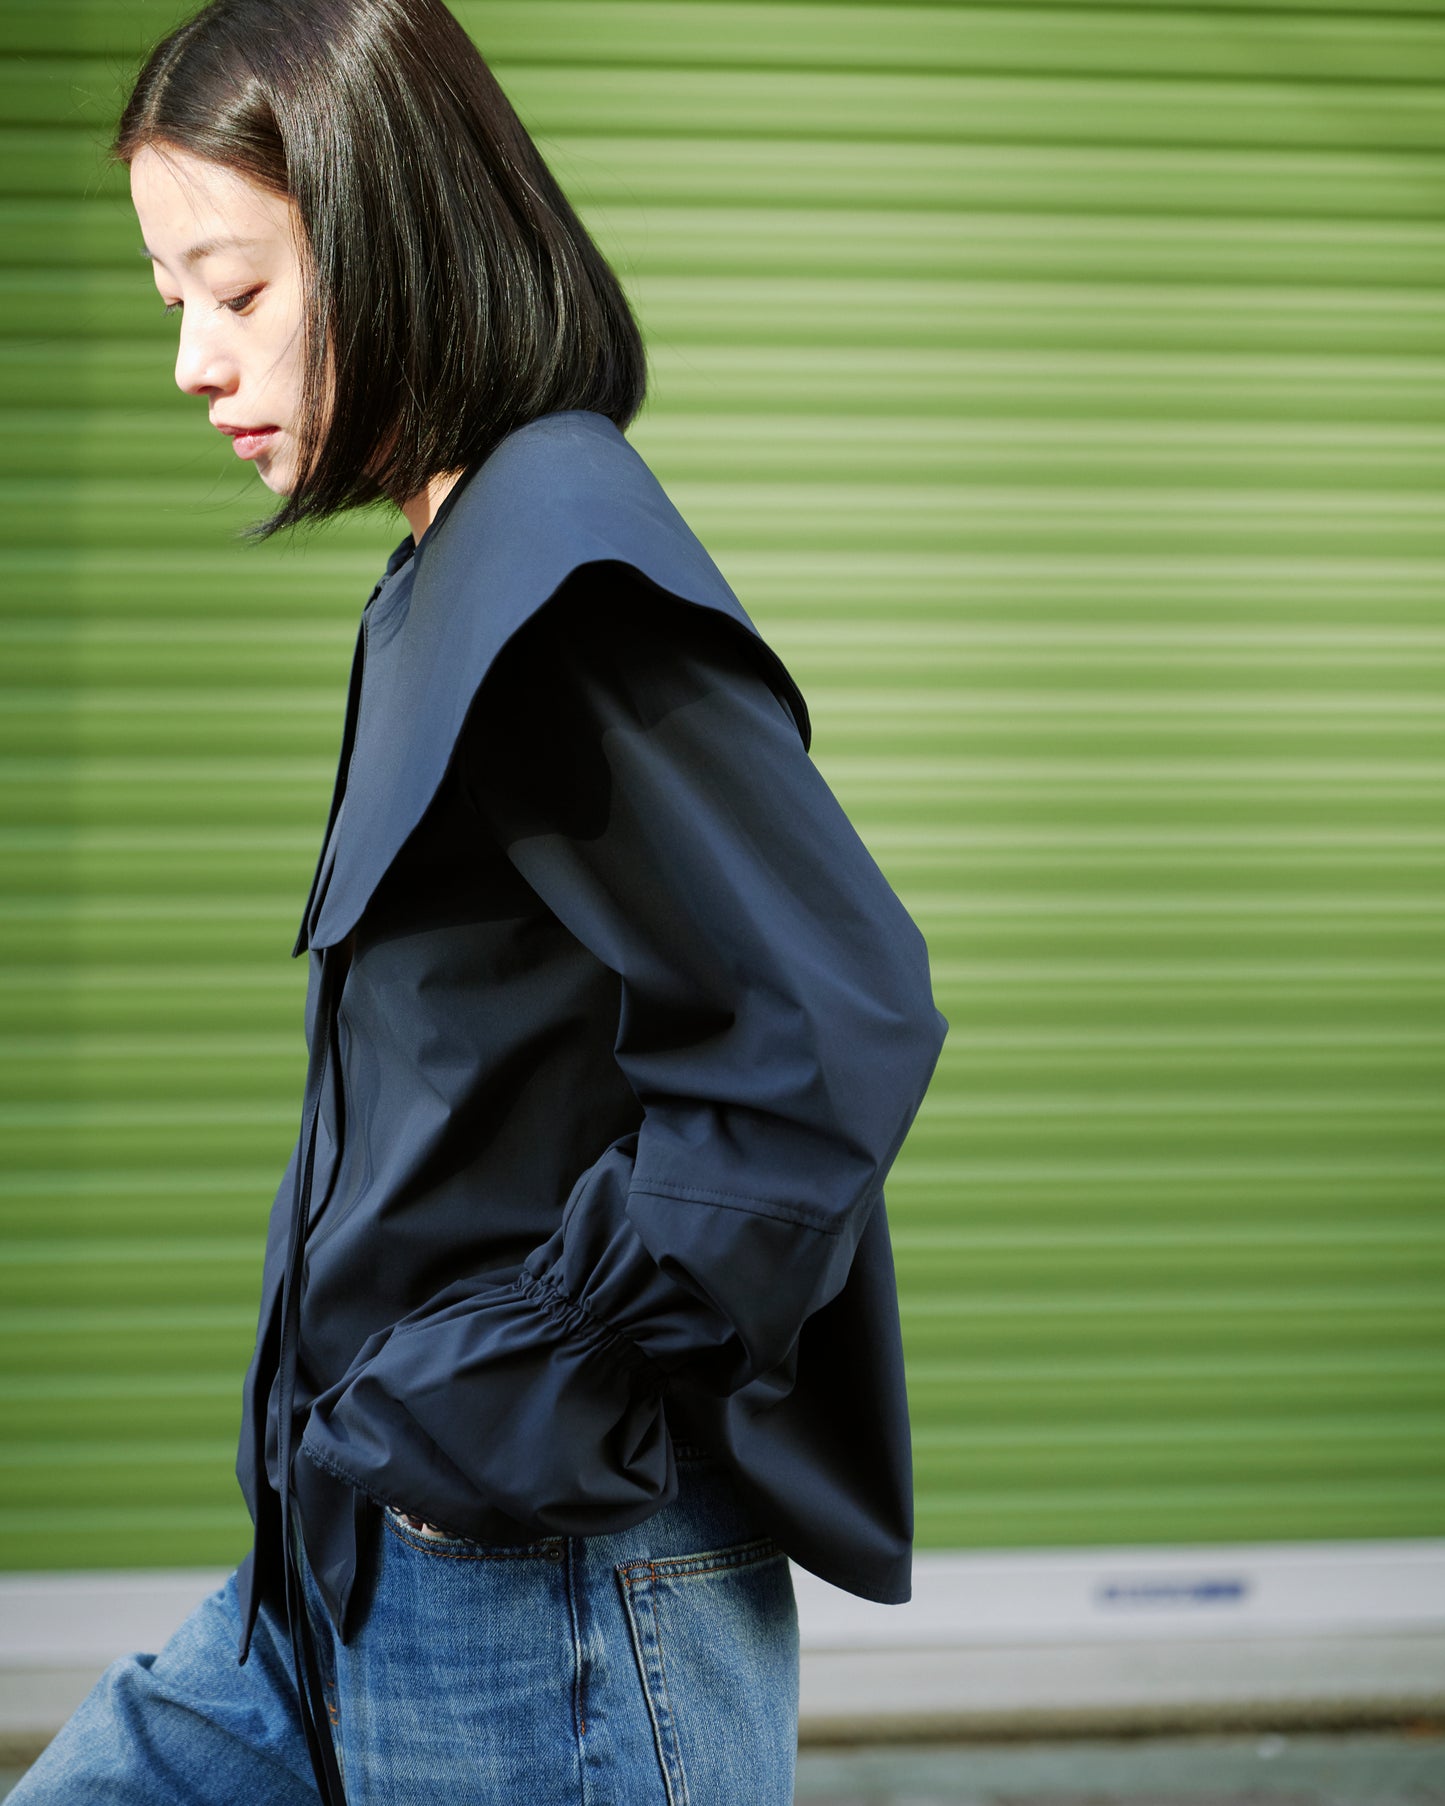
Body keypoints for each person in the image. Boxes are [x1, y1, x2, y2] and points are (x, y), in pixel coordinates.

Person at [11, 2, 949, 1801]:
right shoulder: (449, 564)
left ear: (393, 227)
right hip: (347, 1559)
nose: (194, 361)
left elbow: (834, 1020)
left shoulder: (559, 571)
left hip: (541, 1593)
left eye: (235, 288)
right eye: (170, 303)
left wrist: (522, 1376)